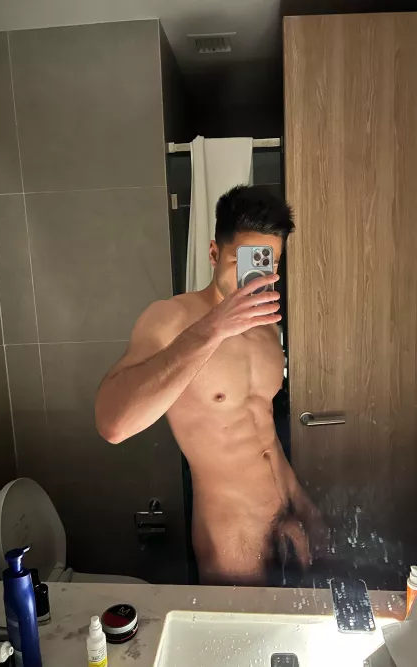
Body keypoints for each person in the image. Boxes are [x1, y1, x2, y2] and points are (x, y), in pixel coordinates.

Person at [95, 185, 326, 585]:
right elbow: (113, 424)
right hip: (231, 544)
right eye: (243, 260)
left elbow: (264, 437)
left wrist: (304, 506)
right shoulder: (169, 319)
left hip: (287, 528)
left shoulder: (267, 329)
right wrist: (214, 329)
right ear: (214, 254)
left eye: (269, 262)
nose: (257, 274)